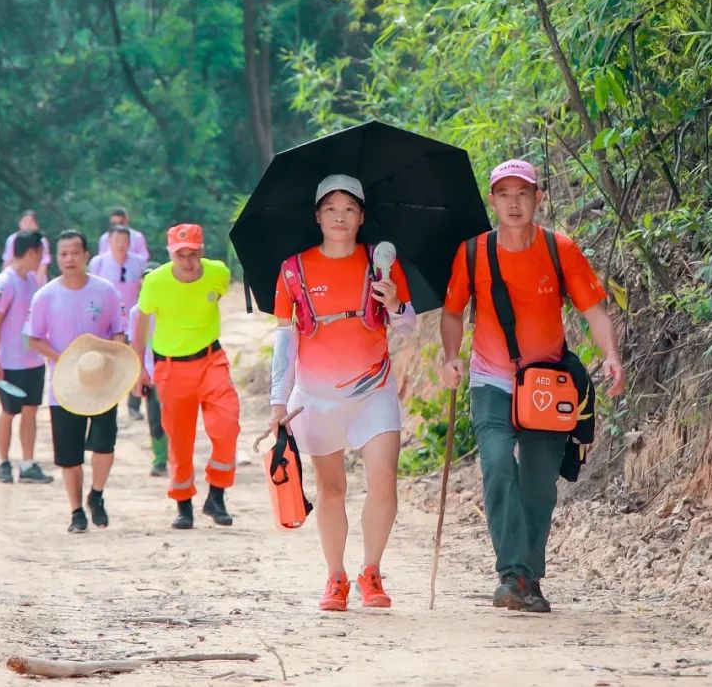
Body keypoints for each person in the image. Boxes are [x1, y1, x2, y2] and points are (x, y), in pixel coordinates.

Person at [439, 159, 626, 613]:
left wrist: (612, 354)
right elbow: (451, 311)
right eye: (504, 194)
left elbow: (594, 309)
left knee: (540, 482)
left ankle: (530, 576)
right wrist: (450, 356)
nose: (514, 202)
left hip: (546, 385)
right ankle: (512, 574)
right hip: (490, 381)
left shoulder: (559, 249)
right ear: (493, 201)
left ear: (538, 197)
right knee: (498, 465)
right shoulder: (473, 253)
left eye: (522, 193)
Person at [269, 174, 417, 612]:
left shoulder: (382, 264)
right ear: (317, 215)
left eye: (349, 209)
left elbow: (408, 326)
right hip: (315, 396)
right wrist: (280, 402)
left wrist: (394, 303)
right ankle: (336, 577)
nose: (340, 216)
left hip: (374, 390)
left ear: (362, 217)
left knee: (383, 481)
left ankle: (371, 571)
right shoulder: (293, 269)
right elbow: (285, 340)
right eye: (331, 208)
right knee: (331, 489)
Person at [132, 224, 239, 530]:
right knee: (179, 440)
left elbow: (215, 297)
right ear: (171, 255)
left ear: (202, 251)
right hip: (170, 368)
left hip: (211, 360)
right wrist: (139, 367)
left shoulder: (218, 273)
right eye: (181, 255)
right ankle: (183, 505)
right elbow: (140, 323)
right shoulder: (155, 282)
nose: (188, 261)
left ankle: (216, 496)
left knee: (227, 424)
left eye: (193, 254)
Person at [26, 230, 125, 532]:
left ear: (86, 256)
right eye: (63, 254)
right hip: (64, 386)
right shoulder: (45, 295)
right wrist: (63, 358)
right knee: (69, 455)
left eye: (74, 253)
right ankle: (76, 511)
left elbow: (119, 331)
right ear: (57, 258)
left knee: (104, 446)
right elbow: (34, 338)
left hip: (102, 383)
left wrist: (109, 355)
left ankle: (96, 494)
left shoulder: (106, 291)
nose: (69, 259)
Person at [0, 230, 54, 485]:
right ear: (31, 252)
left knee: (30, 412)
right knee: (9, 411)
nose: (42, 259)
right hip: (10, 362)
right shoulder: (5, 282)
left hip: (33, 362)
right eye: (41, 253)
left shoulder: (31, 281)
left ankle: (27, 463)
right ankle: (3, 462)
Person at [89, 225, 148, 420]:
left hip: (133, 320)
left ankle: (134, 404)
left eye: (125, 241)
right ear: (109, 242)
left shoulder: (139, 263)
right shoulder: (98, 263)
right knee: (107, 362)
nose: (121, 245)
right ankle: (106, 404)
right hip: (107, 321)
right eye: (117, 241)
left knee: (135, 360)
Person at [128, 293, 168, 477]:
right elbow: (135, 344)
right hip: (150, 371)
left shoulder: (169, 306)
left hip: (173, 370)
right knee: (155, 418)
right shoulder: (136, 312)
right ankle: (160, 460)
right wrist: (141, 372)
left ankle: (175, 458)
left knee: (176, 418)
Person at [2, 210, 52, 283]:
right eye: (25, 222)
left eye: (30, 222)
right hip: (17, 280)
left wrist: (38, 284)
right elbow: (8, 260)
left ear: (36, 224)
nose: (27, 225)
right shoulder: (12, 239)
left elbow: (43, 264)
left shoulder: (41, 241)